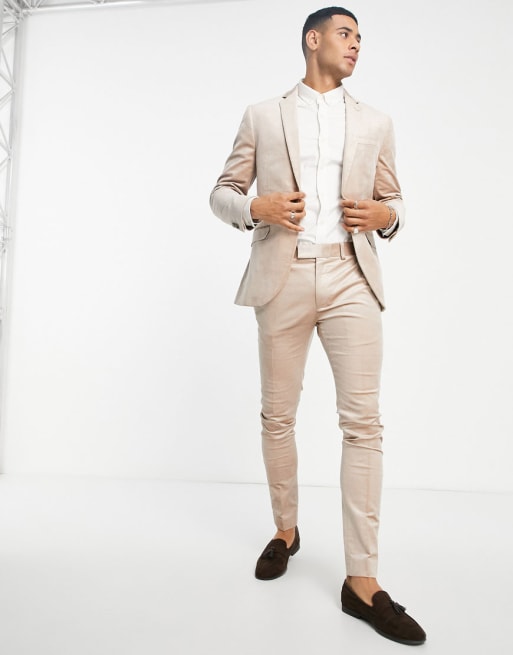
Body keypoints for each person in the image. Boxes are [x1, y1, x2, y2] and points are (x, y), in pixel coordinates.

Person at [210, 6, 426, 646]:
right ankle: (286, 530)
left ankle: (363, 580)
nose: (356, 45)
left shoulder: (376, 121)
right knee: (278, 414)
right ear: (313, 40)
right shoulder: (262, 115)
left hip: (350, 276)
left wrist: (386, 215)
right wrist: (256, 206)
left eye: (360, 38)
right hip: (281, 274)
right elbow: (221, 191)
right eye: (345, 33)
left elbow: (395, 200)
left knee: (363, 422)